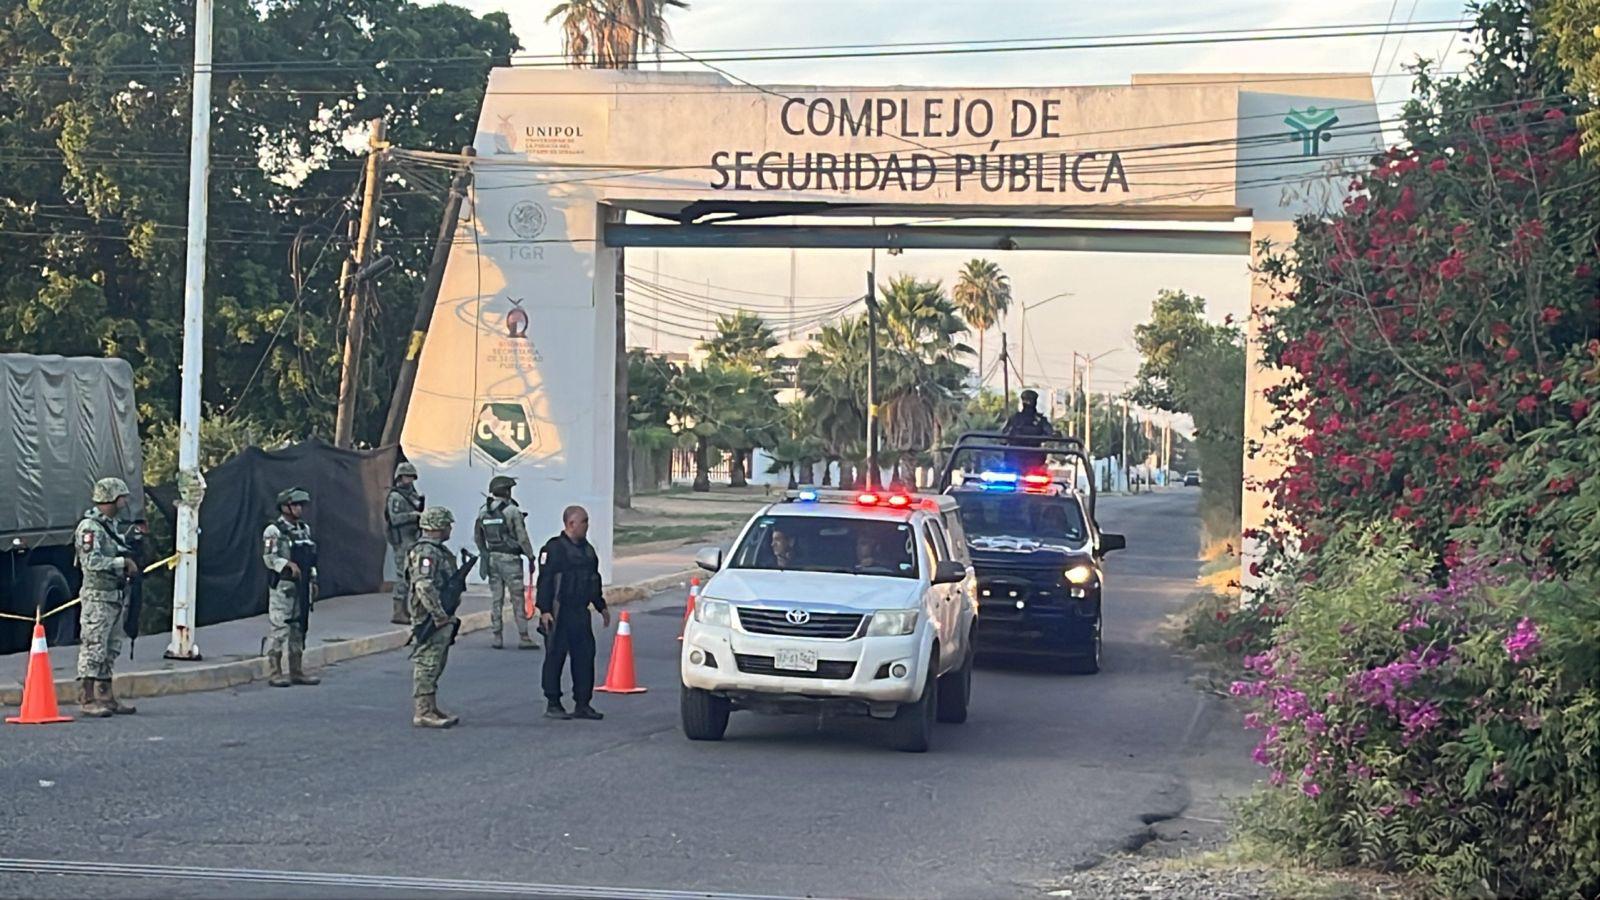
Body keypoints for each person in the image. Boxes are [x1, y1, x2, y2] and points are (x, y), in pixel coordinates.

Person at [536, 505, 611, 721]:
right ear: (571, 524)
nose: (587, 526)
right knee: (555, 656)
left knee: (585, 656)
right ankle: (553, 702)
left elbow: (593, 580)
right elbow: (545, 581)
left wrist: (601, 605)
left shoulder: (588, 550)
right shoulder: (554, 549)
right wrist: (545, 610)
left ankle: (583, 703)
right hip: (560, 612)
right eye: (584, 521)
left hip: (580, 611)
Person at [73, 477, 140, 718]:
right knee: (94, 646)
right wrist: (121, 562)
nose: (124, 501)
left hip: (114, 595)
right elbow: (90, 562)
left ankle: (106, 695)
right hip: (97, 597)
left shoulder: (110, 526)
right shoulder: (90, 528)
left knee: (111, 648)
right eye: (121, 497)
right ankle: (87, 697)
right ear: (111, 497)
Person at [407, 506, 460, 729]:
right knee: (427, 662)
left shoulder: (437, 551)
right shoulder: (426, 553)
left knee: (436, 661)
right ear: (438, 526)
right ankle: (423, 711)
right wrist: (437, 614)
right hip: (429, 616)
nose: (449, 529)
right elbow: (424, 585)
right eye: (447, 525)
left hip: (441, 613)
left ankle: (431, 705)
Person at [262, 487, 320, 688]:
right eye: (295, 505)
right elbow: (269, 558)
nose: (299, 509)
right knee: (280, 628)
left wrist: (313, 581)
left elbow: (311, 559)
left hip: (302, 587)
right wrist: (286, 565)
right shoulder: (274, 530)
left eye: (301, 505)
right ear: (285, 506)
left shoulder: (304, 529)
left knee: (299, 627)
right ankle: (274, 671)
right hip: (283, 587)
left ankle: (296, 670)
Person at [473, 474, 537, 649]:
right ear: (507, 491)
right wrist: (530, 556)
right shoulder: (512, 511)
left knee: (496, 598)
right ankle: (524, 637)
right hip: (510, 560)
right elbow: (522, 537)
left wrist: (484, 553)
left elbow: (478, 536)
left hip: (493, 558)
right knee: (517, 598)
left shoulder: (483, 511)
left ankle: (497, 636)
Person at [385, 461, 424, 625]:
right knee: (402, 575)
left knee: (411, 575)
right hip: (402, 540)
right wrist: (413, 515)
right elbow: (394, 519)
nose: (410, 480)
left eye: (411, 477)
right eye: (406, 477)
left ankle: (405, 609)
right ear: (399, 477)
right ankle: (398, 611)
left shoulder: (412, 495)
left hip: (412, 538)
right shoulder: (395, 496)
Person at [1002, 389, 1056, 471]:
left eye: (1028, 399)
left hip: (1031, 459)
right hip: (1018, 458)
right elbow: (1004, 436)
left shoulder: (1016, 418)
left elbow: (1004, 436)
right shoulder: (1016, 418)